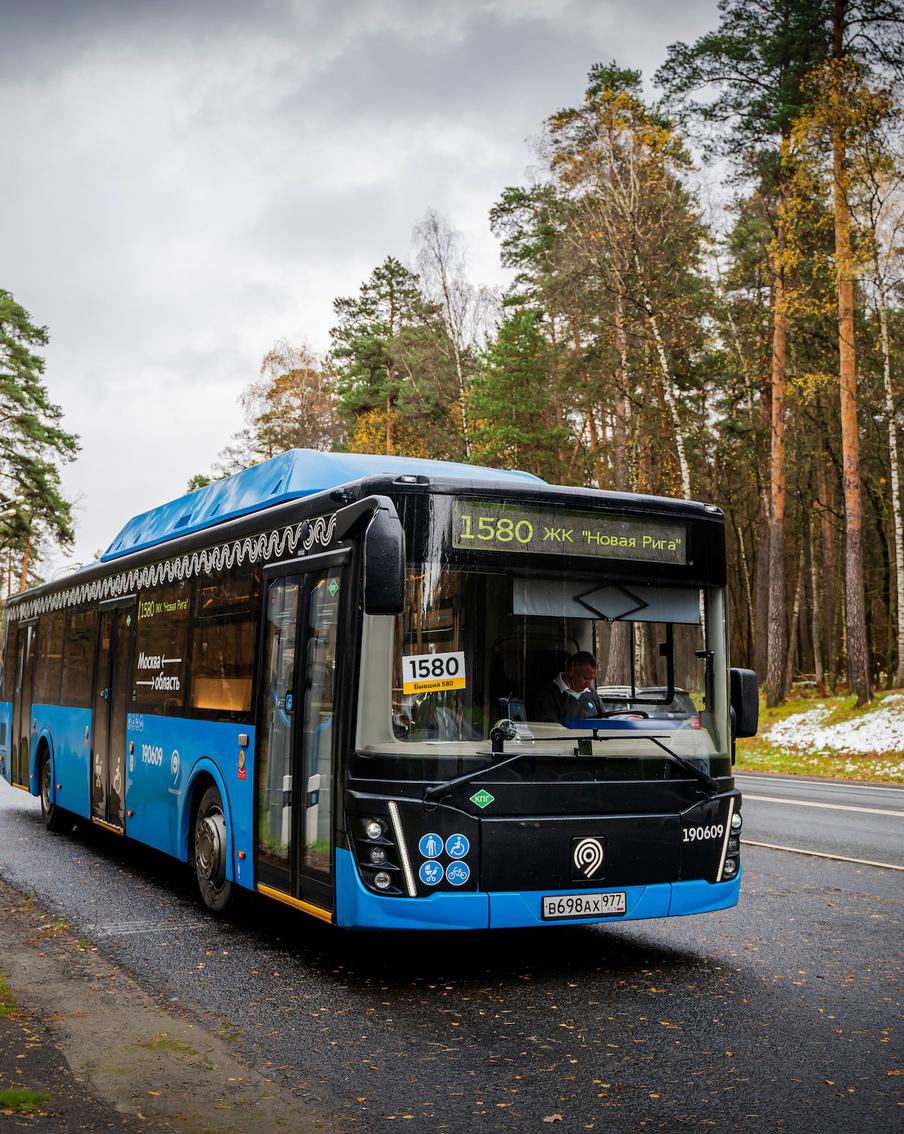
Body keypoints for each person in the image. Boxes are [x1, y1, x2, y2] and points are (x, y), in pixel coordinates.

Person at [536, 650, 605, 722]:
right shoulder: (549, 695)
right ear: (572, 671)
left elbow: (604, 721)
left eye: (591, 679)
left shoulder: (592, 694)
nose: (588, 684)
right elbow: (549, 729)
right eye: (585, 678)